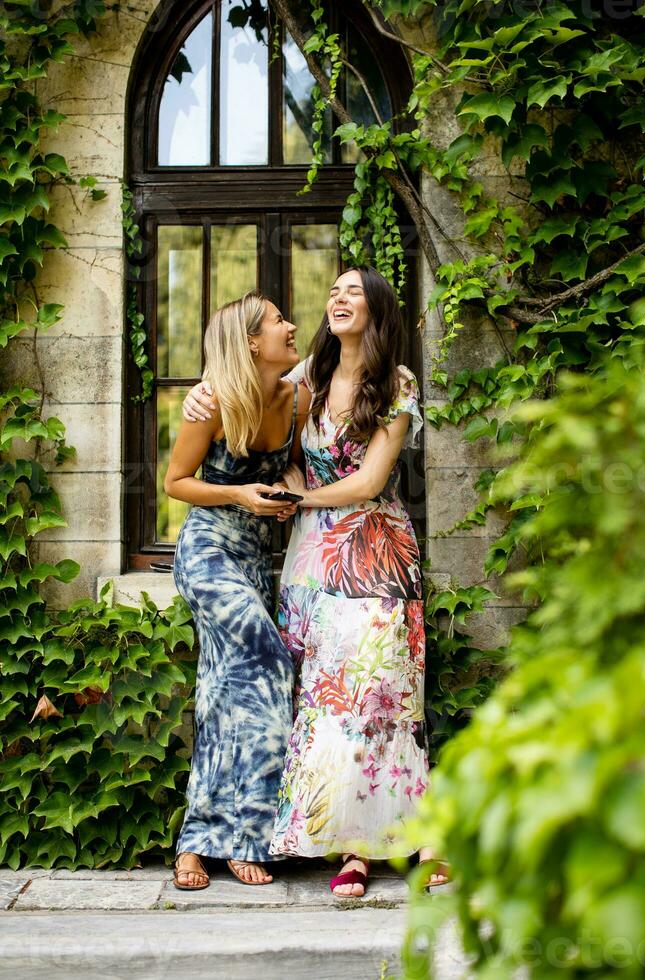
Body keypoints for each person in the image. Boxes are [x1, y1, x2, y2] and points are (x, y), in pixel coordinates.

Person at [182, 267, 449, 896]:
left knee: (388, 695)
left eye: (352, 291)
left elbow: (369, 482)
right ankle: (352, 847)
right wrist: (201, 391)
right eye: (332, 290)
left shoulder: (397, 383)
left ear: (378, 309)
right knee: (329, 701)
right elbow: (246, 388)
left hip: (376, 549)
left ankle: (423, 835)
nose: (337, 298)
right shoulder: (308, 380)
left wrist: (298, 502)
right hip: (310, 560)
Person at [164, 290, 311, 890]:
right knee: (270, 664)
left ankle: (199, 843)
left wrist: (283, 495)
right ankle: (242, 834)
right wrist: (240, 495)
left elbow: (292, 468)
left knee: (222, 688)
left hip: (254, 557)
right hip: (206, 554)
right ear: (251, 340)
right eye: (279, 320)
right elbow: (175, 483)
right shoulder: (215, 403)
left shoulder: (296, 397)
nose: (291, 325)